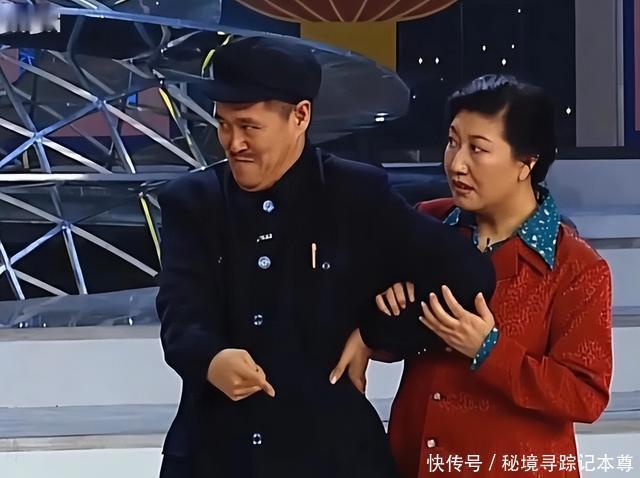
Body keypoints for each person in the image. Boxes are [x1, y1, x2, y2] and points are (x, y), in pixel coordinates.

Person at [154, 36, 495, 478]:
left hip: (331, 455)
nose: (233, 143)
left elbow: (468, 273)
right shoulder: (191, 202)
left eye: (249, 127)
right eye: (223, 125)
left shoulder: (355, 194)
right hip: (213, 454)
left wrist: (376, 333)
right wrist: (210, 359)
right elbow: (180, 311)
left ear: (300, 116)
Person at [358, 75, 612, 477]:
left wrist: (488, 349)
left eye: (477, 148)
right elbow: (391, 345)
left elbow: (585, 395)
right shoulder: (427, 221)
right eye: (453, 142)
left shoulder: (576, 266)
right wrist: (388, 308)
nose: (456, 163)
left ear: (526, 162)